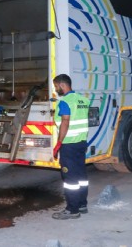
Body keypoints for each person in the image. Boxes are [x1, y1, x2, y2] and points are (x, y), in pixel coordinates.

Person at [51, 74, 90, 220]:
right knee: (81, 175)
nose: (56, 90)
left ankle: (72, 210)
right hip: (81, 143)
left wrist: (59, 143)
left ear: (62, 85)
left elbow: (65, 122)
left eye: (56, 87)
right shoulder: (83, 100)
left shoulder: (65, 102)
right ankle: (82, 204)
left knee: (70, 179)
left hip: (69, 145)